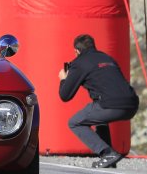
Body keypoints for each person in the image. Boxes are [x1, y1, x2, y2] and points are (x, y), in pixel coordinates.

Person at [58, 34, 139, 167]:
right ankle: (109, 160)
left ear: (76, 51)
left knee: (75, 122)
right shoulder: (108, 58)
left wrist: (63, 79)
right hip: (132, 103)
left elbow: (65, 95)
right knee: (99, 118)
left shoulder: (79, 63)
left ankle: (107, 153)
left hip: (110, 105)